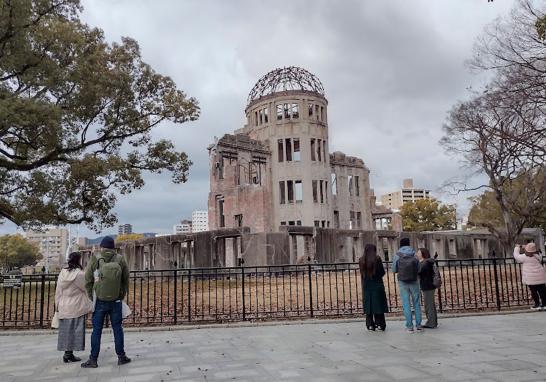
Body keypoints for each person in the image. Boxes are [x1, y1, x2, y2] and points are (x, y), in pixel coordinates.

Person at [81, 236, 131, 368]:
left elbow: (87, 280)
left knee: (96, 330)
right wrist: (120, 295)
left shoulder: (95, 258)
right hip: (116, 300)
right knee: (117, 328)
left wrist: (93, 296)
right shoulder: (120, 259)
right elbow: (126, 279)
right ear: (114, 248)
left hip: (99, 300)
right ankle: (121, 356)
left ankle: (93, 359)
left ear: (102, 247)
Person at [55, 252, 93, 363]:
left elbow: (58, 291)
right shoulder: (79, 274)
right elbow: (86, 288)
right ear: (78, 260)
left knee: (66, 330)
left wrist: (57, 305)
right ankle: (69, 354)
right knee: (76, 330)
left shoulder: (62, 273)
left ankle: (67, 353)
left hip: (63, 303)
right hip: (76, 304)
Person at [391, 237, 422, 332]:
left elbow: (394, 269)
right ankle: (419, 325)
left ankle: (409, 326)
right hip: (414, 280)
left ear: (400, 245)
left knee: (406, 303)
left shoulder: (397, 255)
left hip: (403, 281)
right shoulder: (414, 254)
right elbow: (419, 269)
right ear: (409, 244)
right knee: (416, 303)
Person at [359, 244, 388, 331]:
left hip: (366, 284)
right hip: (377, 283)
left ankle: (370, 324)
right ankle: (380, 323)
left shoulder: (361, 260)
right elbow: (382, 272)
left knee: (369, 304)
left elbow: (362, 274)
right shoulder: (377, 259)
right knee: (378, 304)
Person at [513, 242, 546, 310]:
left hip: (531, 278)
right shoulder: (537, 256)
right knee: (542, 291)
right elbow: (536, 252)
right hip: (540, 277)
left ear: (526, 250)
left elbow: (516, 256)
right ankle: (544, 304)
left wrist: (517, 247)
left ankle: (537, 305)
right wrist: (528, 247)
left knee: (534, 291)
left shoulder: (524, 257)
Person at [417, 248, 438, 328]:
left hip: (428, 285)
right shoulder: (427, 262)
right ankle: (432, 322)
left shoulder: (425, 263)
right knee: (430, 304)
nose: (417, 254)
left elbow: (419, 272)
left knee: (429, 305)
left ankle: (431, 323)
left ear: (423, 254)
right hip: (428, 285)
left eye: (418, 253)